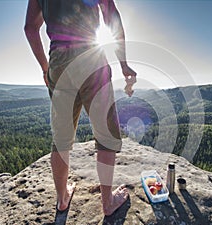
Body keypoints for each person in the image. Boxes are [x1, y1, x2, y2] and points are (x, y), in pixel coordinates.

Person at [24, 0, 137, 219]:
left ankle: (62, 199)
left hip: (59, 59)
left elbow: (30, 28)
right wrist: (123, 63)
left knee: (61, 138)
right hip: (90, 55)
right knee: (106, 134)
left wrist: (45, 67)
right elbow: (111, 17)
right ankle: (108, 201)